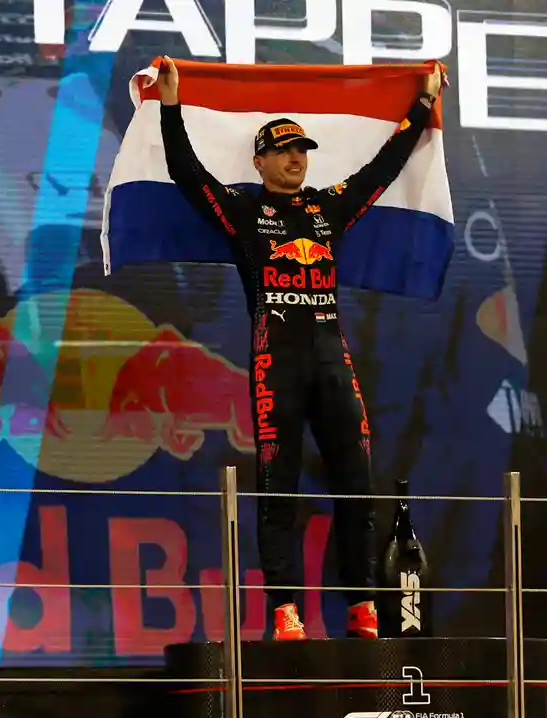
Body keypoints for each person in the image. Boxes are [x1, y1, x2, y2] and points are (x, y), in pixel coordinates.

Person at [157, 57, 444, 641]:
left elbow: (383, 167)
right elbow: (187, 173)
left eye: (302, 149)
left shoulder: (327, 208)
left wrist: (421, 104)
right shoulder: (243, 212)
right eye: (283, 149)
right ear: (259, 161)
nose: (295, 157)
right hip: (276, 365)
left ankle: (362, 607)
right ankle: (285, 612)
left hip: (333, 362)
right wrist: (170, 106)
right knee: (277, 491)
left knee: (356, 486)